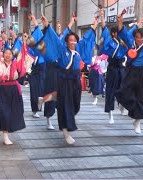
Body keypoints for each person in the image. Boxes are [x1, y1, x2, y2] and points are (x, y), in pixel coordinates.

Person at [40, 15, 98, 144]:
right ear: (66, 42)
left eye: (74, 40)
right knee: (65, 107)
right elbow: (54, 40)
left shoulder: (78, 51)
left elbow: (87, 39)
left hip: (75, 83)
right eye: (70, 40)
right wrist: (47, 25)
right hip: (64, 81)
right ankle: (66, 132)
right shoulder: (61, 50)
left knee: (75, 106)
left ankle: (50, 97)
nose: (73, 42)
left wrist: (94, 26)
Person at [0, 33, 34, 145]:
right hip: (3, 89)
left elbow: (23, 56)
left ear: (12, 55)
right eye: (5, 53)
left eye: (9, 54)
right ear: (3, 55)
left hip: (14, 90)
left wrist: (24, 42)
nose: (7, 55)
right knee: (3, 112)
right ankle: (5, 134)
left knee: (16, 111)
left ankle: (9, 130)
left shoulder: (15, 64)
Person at [98, 9, 129, 124]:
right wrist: (102, 16)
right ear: (113, 33)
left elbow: (128, 40)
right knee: (110, 90)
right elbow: (104, 28)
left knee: (123, 88)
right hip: (112, 67)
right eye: (116, 33)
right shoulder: (109, 42)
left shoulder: (123, 42)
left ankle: (122, 105)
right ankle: (110, 114)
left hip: (121, 67)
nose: (117, 34)